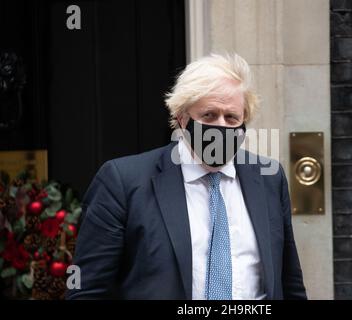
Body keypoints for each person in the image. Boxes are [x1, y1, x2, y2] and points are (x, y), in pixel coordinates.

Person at [66, 53, 307, 300]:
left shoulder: (269, 178)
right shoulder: (123, 181)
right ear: (182, 119)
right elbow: (88, 290)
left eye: (231, 117)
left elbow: (290, 284)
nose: (221, 126)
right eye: (209, 115)